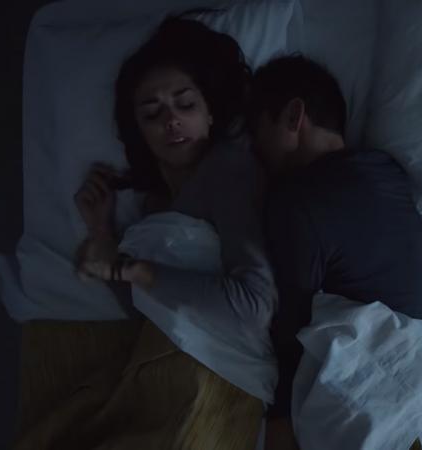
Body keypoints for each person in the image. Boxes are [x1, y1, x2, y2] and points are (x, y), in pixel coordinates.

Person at [16, 17, 274, 449]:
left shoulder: (229, 170)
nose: (171, 119)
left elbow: (253, 307)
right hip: (146, 374)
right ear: (139, 131)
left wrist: (129, 268)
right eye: (153, 113)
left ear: (211, 113)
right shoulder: (152, 207)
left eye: (185, 104)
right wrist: (101, 232)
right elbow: (151, 312)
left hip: (214, 376)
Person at [248, 54, 422, 450]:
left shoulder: (294, 199)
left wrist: (279, 418)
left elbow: (292, 317)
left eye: (257, 130)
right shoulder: (386, 172)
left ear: (293, 116)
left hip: (381, 383)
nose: (254, 149)